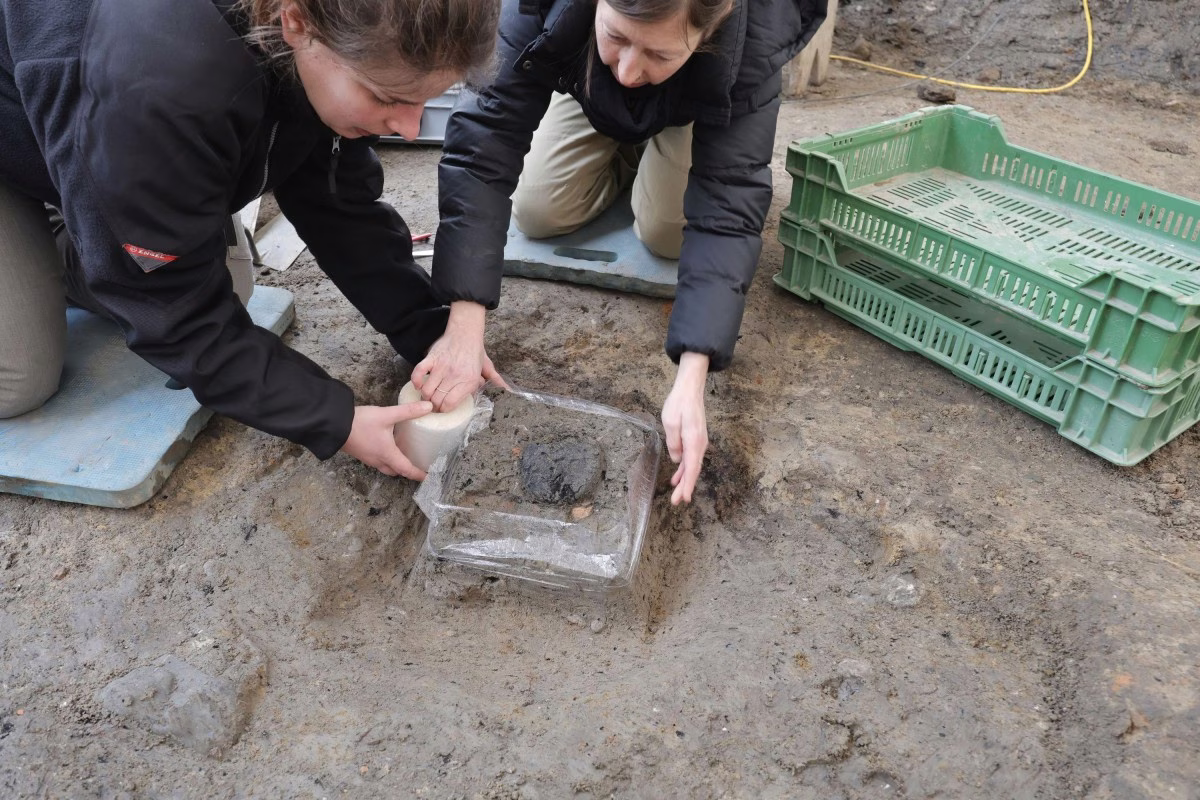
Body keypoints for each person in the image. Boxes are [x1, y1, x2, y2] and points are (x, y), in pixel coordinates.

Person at [0, 0, 501, 481]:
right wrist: (336, 420)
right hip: (39, 126)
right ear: (297, 23)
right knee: (21, 377)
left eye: (424, 100)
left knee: (228, 290)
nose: (410, 130)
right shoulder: (164, 86)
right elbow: (172, 311)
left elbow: (336, 201)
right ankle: (90, 221)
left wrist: (428, 328)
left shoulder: (335, 35)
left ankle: (95, 212)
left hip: (115, 135)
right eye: (387, 98)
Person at [414, 0, 828, 503]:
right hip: (587, 80)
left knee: (666, 233)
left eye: (659, 52)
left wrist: (692, 375)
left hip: (695, 103)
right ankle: (626, 141)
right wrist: (463, 324)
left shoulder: (751, 39)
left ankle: (663, 141)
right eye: (618, 35)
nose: (630, 71)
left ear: (710, 30)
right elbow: (485, 140)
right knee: (539, 210)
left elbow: (729, 200)